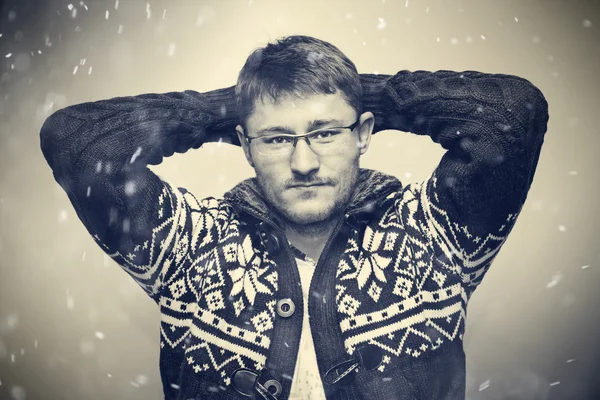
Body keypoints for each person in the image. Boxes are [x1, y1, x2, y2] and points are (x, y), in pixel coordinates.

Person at [39, 35, 549, 400]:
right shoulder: (191, 247)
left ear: (364, 133)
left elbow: (512, 116)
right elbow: (77, 143)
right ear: (244, 145)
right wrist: (235, 107)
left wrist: (358, 95)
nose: (303, 163)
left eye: (325, 133)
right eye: (278, 139)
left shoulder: (432, 234)